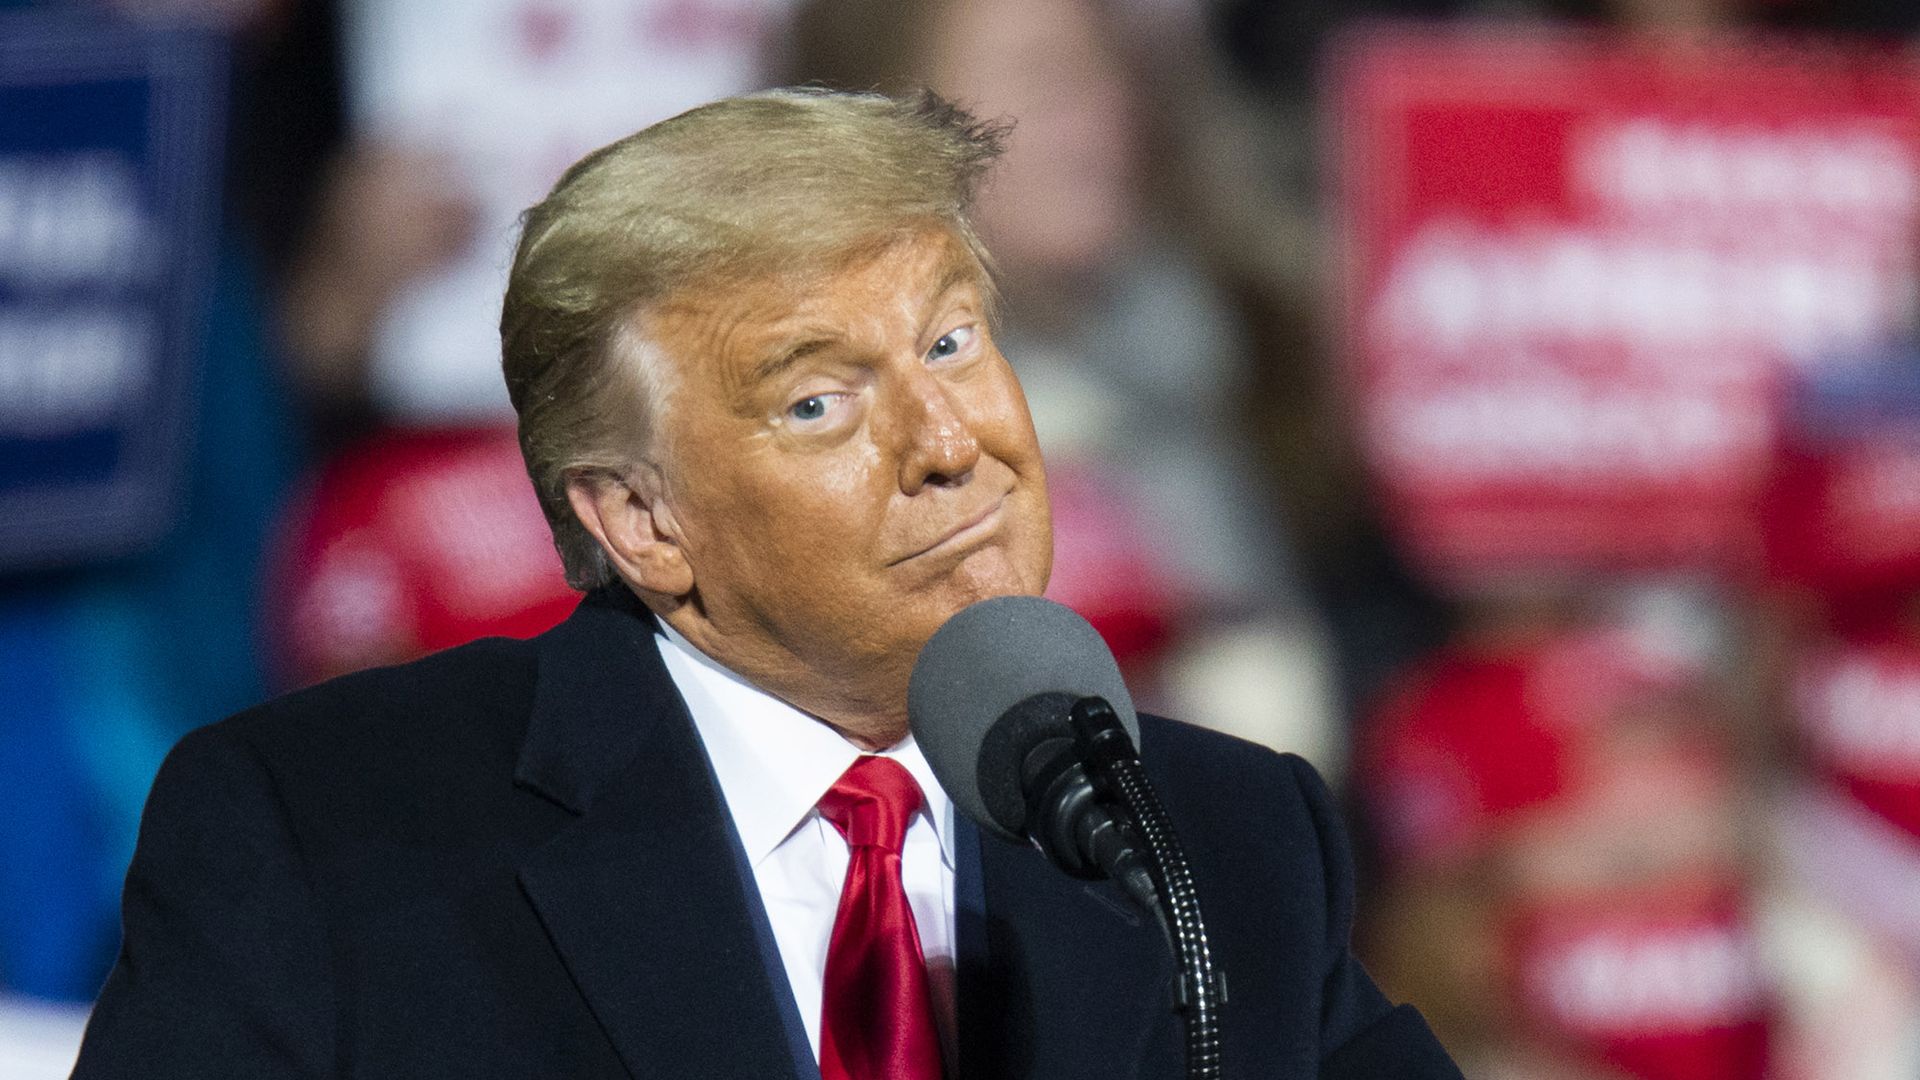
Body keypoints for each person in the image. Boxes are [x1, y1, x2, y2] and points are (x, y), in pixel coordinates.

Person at [69, 88, 1460, 1079]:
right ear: (640, 521)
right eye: (816, 403)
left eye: (955, 343)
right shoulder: (324, 835)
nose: (948, 441)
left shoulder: (1218, 843)